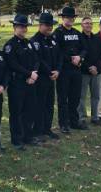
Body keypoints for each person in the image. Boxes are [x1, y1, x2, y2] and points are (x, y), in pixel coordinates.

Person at [3, 14, 40, 150]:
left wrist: (34, 73)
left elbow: (36, 59)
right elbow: (13, 64)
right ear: (14, 27)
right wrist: (29, 73)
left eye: (25, 27)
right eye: (20, 27)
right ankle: (16, 139)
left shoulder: (28, 43)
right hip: (17, 84)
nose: (23, 29)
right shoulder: (9, 45)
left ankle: (27, 136)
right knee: (16, 112)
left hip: (30, 82)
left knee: (29, 110)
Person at [53, 6, 88, 133]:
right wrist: (70, 59)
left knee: (75, 97)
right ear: (62, 18)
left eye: (71, 17)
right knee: (63, 98)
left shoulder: (77, 33)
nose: (69, 19)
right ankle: (63, 124)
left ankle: (74, 121)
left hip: (76, 70)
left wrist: (80, 57)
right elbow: (57, 52)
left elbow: (84, 48)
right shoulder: (57, 33)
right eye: (67, 17)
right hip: (63, 71)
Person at [30, 13, 61, 141]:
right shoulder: (35, 41)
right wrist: (50, 72)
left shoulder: (52, 40)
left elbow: (60, 56)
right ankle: (37, 130)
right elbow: (39, 60)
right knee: (39, 105)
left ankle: (47, 128)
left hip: (52, 77)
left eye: (51, 25)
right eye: (47, 25)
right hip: (41, 78)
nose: (50, 28)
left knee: (49, 104)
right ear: (40, 25)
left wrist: (58, 70)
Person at [78, 16, 101, 127]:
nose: (88, 25)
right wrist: (89, 67)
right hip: (84, 72)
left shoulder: (97, 38)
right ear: (82, 25)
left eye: (90, 23)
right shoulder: (78, 38)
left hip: (96, 72)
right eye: (86, 23)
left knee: (96, 96)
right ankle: (82, 117)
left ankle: (95, 117)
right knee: (82, 97)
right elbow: (79, 55)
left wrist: (97, 68)